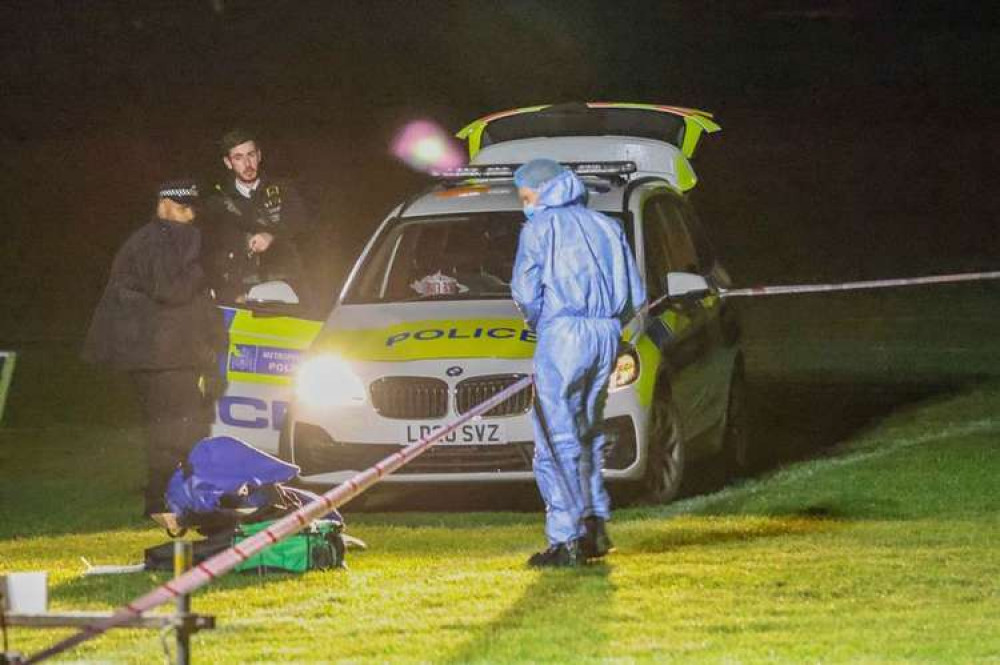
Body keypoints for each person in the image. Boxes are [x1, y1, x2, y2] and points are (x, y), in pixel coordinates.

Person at [511, 159, 646, 567]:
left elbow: (525, 289)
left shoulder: (539, 228)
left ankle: (564, 538)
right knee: (588, 432)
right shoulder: (608, 227)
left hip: (563, 333)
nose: (525, 204)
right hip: (606, 334)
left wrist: (543, 324)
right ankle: (594, 523)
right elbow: (633, 297)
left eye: (526, 196)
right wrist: (608, 327)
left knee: (556, 438)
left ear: (542, 191)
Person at [82, 181, 227, 516]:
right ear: (163, 204)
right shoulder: (154, 241)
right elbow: (172, 290)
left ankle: (170, 497)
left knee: (177, 428)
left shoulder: (162, 239)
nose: (190, 216)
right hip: (161, 357)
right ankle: (162, 500)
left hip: (170, 354)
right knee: (172, 430)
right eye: (182, 207)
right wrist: (205, 271)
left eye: (193, 209)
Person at [202, 128, 311, 305]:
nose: (247, 163)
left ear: (259, 156)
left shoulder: (283, 189)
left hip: (287, 290)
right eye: (238, 158)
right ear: (228, 163)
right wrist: (227, 293)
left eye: (251, 155)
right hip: (240, 294)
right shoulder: (217, 204)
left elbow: (301, 224)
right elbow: (209, 254)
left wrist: (272, 236)